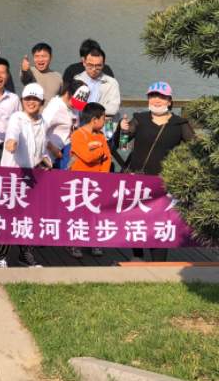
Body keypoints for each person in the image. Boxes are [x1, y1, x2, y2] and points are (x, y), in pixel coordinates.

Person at [117, 82, 196, 262]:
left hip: (163, 182)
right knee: (136, 219)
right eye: (153, 96)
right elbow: (122, 142)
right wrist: (122, 129)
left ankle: (158, 264)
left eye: (162, 97)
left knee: (159, 222)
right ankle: (137, 256)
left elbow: (195, 146)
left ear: (170, 101)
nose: (157, 100)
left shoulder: (179, 123)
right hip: (136, 178)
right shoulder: (140, 119)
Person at [0, 83, 52, 268]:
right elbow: (13, 131)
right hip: (13, 177)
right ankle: (0, 257)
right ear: (22, 100)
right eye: (27, 99)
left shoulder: (43, 122)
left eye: (35, 99)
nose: (31, 102)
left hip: (32, 179)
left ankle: (25, 253)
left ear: (42, 102)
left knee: (30, 217)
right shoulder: (17, 117)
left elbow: (43, 148)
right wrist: (11, 141)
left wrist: (46, 159)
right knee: (7, 216)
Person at [66, 102, 112, 259]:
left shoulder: (101, 136)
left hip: (97, 181)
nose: (104, 121)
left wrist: (103, 174)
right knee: (78, 213)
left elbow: (108, 157)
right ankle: (74, 243)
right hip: (79, 181)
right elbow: (87, 156)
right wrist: (101, 151)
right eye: (103, 118)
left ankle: (94, 241)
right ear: (94, 119)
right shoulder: (78, 135)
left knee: (96, 212)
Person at [42, 79, 86, 170]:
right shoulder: (54, 107)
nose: (76, 107)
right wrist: (51, 147)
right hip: (51, 155)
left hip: (66, 151)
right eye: (75, 102)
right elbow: (39, 130)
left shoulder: (73, 107)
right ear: (67, 94)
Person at [73, 47, 121, 120]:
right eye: (90, 65)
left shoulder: (112, 83)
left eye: (98, 66)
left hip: (105, 125)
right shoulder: (76, 81)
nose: (94, 69)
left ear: (103, 64)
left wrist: (87, 108)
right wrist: (101, 115)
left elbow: (113, 109)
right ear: (84, 63)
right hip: (82, 124)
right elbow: (75, 109)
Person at [19, 43, 62, 110]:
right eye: (37, 56)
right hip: (32, 115)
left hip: (52, 116)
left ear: (50, 57)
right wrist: (24, 70)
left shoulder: (58, 77)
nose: (40, 60)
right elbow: (25, 76)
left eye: (44, 56)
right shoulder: (31, 72)